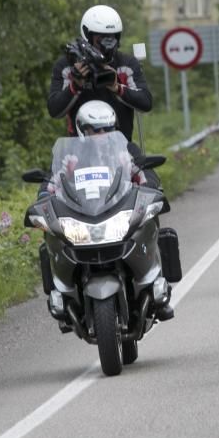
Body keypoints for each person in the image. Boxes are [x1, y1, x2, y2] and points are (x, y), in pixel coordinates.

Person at [46, 100, 174, 320]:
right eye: (94, 130)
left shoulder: (126, 150)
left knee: (152, 219)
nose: (101, 134)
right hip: (84, 214)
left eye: (106, 129)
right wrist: (43, 196)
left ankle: (157, 290)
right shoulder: (72, 156)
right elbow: (53, 180)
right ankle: (63, 296)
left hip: (119, 210)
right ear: (82, 130)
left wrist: (150, 186)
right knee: (50, 235)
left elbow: (145, 172)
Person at [47, 5, 152, 142]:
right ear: (88, 35)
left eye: (112, 37)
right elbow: (54, 110)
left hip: (121, 150)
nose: (107, 44)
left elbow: (146, 102)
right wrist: (75, 86)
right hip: (79, 150)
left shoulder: (127, 65)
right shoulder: (67, 66)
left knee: (140, 161)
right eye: (101, 38)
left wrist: (117, 87)